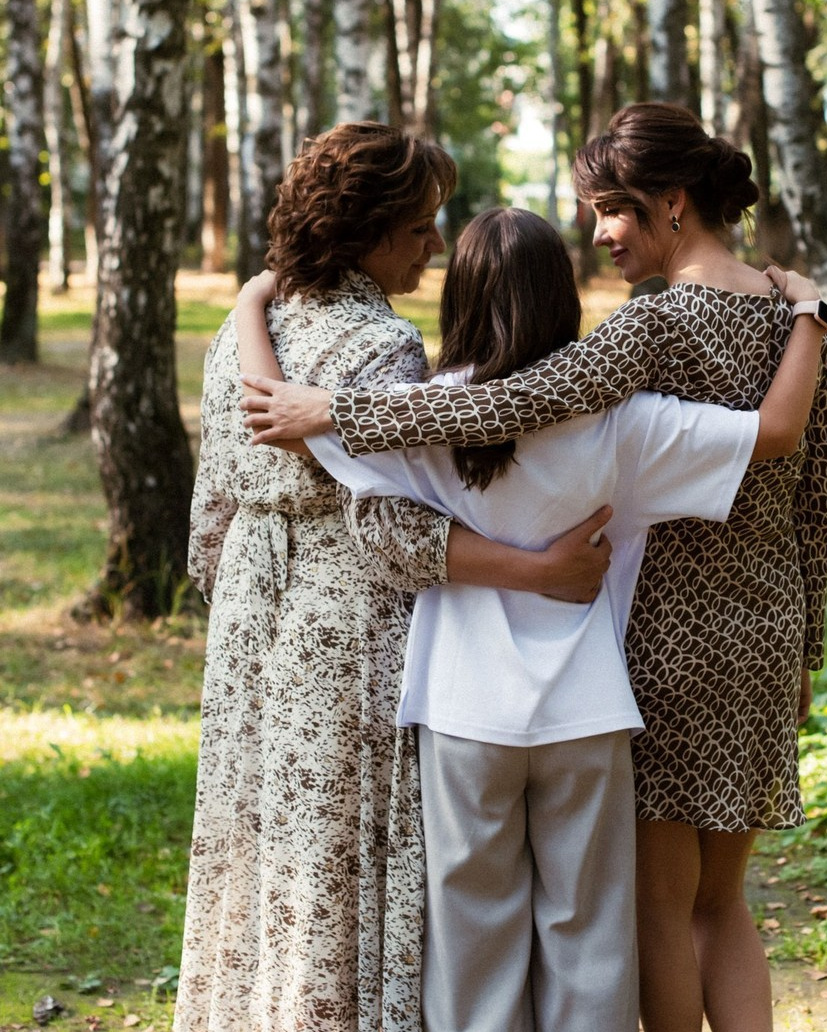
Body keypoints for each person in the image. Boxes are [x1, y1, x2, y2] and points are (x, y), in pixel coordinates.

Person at [241, 102, 827, 1032]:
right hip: (718, 651)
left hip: (614, 656)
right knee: (686, 912)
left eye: (611, 209)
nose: (600, 233)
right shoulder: (758, 344)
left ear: (672, 203)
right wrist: (806, 646)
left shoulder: (639, 334)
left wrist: (327, 398)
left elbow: (513, 405)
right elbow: (806, 491)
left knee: (602, 913)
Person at [176, 123, 610, 1032]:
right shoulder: (383, 348)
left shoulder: (242, 329)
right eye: (418, 229)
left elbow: (209, 513)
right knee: (341, 854)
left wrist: (244, 597)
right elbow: (396, 530)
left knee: (259, 849)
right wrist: (537, 569)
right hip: (346, 622)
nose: (436, 247)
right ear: (365, 235)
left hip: (253, 611)